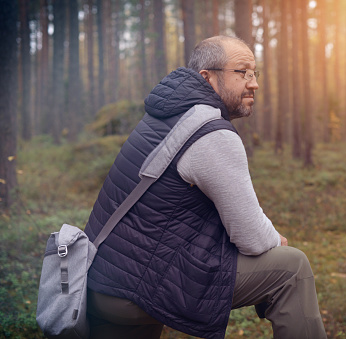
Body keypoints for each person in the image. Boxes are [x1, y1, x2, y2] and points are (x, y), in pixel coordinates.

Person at [84, 35, 327, 339]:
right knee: (291, 268)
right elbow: (251, 238)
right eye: (242, 72)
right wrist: (275, 241)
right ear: (207, 77)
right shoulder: (211, 132)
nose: (253, 83)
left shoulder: (167, 114)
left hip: (102, 282)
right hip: (139, 288)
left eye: (254, 73)